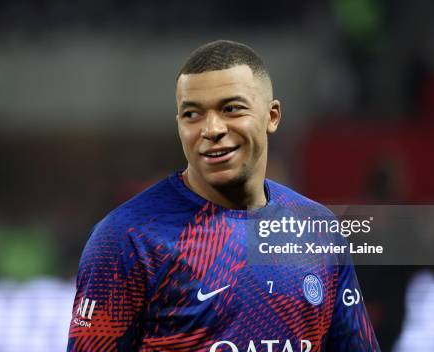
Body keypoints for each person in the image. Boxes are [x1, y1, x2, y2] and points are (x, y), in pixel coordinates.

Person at [67, 40, 380, 351]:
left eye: (231, 109)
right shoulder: (128, 238)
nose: (212, 129)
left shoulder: (316, 228)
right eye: (192, 114)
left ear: (272, 116)